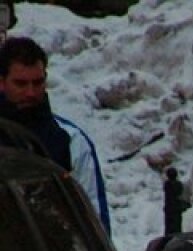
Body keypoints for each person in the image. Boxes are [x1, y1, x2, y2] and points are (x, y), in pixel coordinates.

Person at [0, 35, 111, 234]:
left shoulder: (71, 141)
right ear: (2, 82)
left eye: (38, 82)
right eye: (21, 84)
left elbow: (95, 222)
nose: (31, 93)